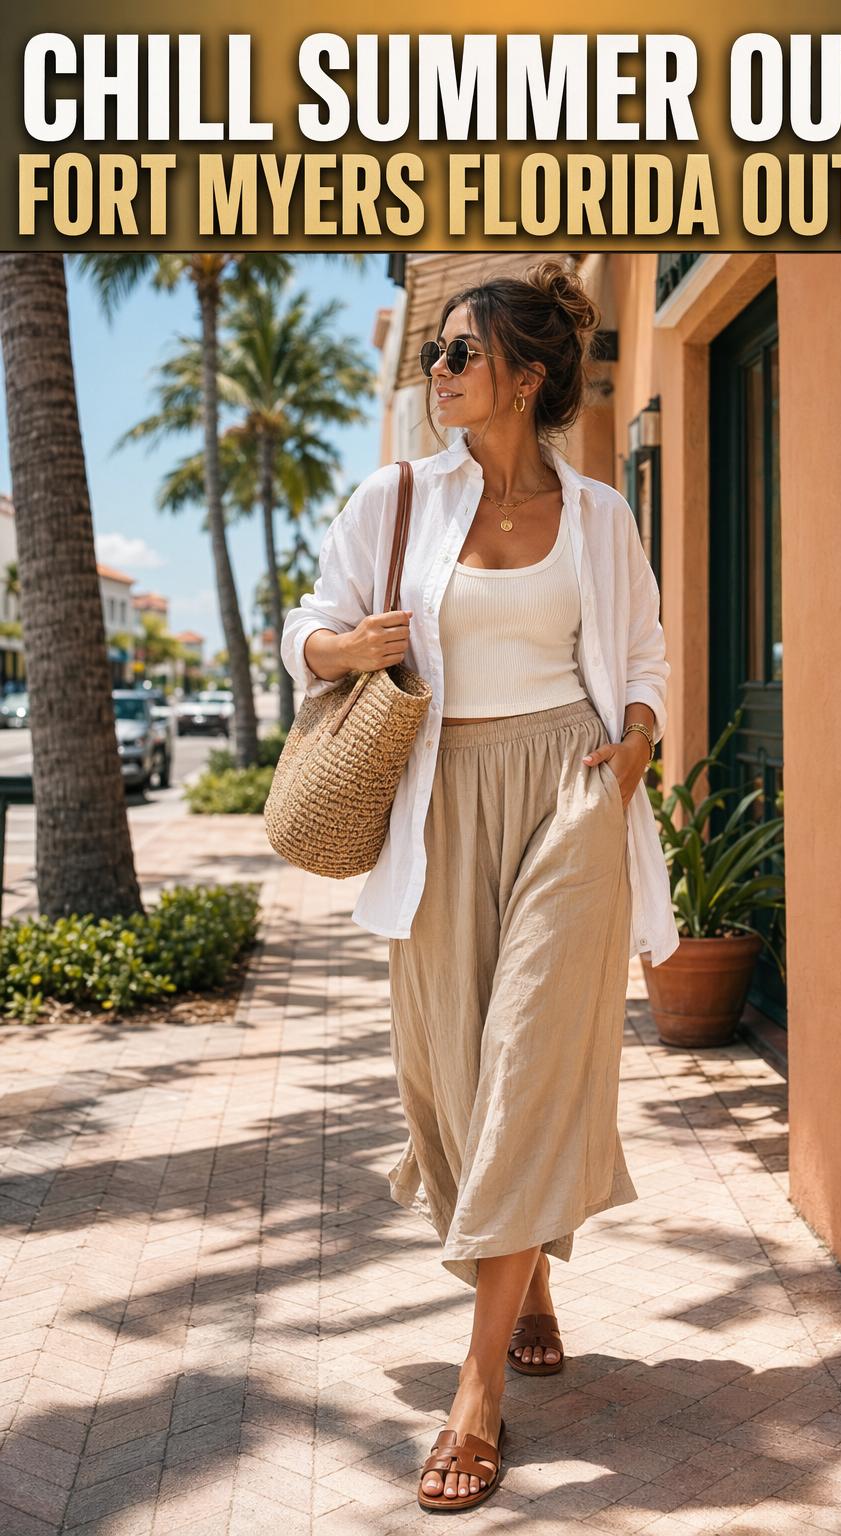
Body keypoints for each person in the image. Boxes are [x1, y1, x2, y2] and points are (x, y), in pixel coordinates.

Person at [280, 258, 678, 1513]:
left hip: (568, 792)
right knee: (450, 1078)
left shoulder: (601, 515)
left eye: (460, 353)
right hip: (438, 805)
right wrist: (349, 645)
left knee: (525, 1056)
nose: (436, 370)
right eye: (436, 352)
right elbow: (307, 629)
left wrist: (636, 741)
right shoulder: (397, 497)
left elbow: (645, 655)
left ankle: (478, 1390)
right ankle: (533, 1284)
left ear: (527, 374)